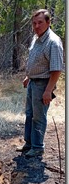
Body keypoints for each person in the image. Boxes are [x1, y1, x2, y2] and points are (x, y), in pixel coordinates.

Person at [16, 9, 64, 158]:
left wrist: (48, 90)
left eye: (40, 22)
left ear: (48, 23)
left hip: (43, 84)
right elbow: (35, 61)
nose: (36, 26)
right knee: (30, 114)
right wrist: (28, 77)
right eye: (34, 23)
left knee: (38, 117)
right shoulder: (36, 38)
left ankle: (37, 147)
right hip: (33, 82)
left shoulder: (53, 42)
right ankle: (29, 143)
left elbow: (56, 69)